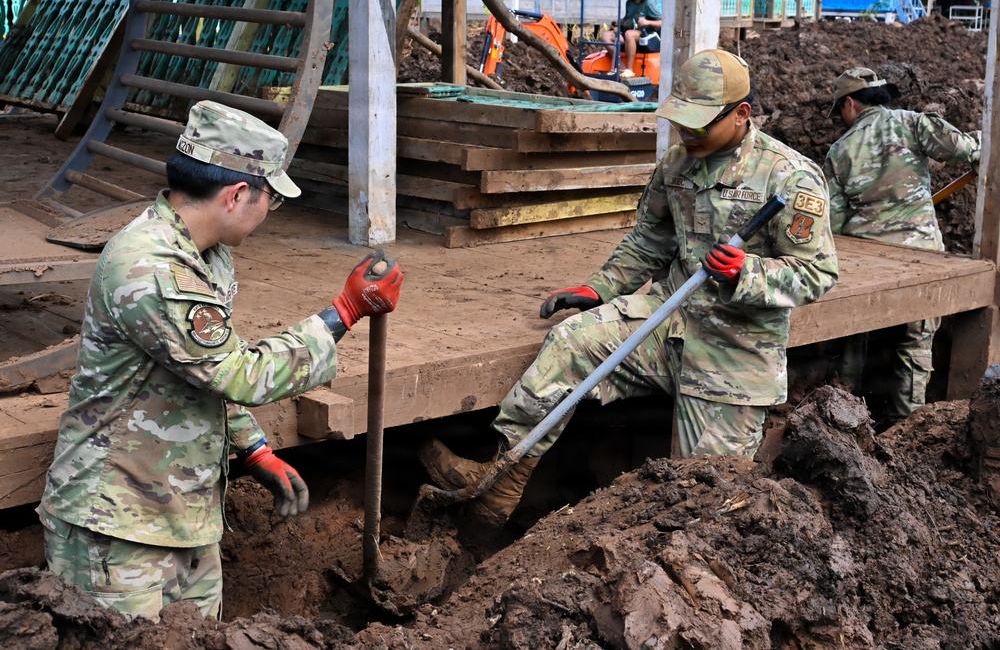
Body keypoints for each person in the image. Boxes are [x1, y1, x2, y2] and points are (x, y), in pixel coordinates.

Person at [420, 49, 839, 528]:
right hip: (668, 321)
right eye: (680, 121)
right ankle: (501, 483)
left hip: (734, 350)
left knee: (704, 496)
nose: (686, 133)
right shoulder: (678, 164)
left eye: (699, 124)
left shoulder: (789, 177)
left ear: (741, 114)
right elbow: (650, 241)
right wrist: (600, 288)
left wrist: (747, 273)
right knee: (571, 342)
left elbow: (817, 272)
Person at [35, 100, 403, 622]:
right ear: (235, 195)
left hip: (182, 511)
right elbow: (238, 373)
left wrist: (252, 449)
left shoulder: (205, 253)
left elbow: (203, 368)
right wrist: (343, 312)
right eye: (271, 199)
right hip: (116, 526)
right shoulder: (152, 267)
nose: (269, 212)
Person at [823, 67, 980, 424]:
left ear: (849, 103)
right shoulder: (913, 123)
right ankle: (910, 428)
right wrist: (980, 143)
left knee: (851, 336)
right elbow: (964, 149)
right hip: (920, 256)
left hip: (864, 263)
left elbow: (833, 223)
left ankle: (842, 418)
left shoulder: (840, 150)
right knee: (915, 342)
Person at [599, 0, 662, 78]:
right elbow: (627, 18)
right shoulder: (629, 2)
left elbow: (662, 22)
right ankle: (621, 66)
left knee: (629, 34)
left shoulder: (648, 3)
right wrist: (618, 23)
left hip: (646, 34)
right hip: (629, 31)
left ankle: (629, 69)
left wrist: (647, 22)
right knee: (605, 36)